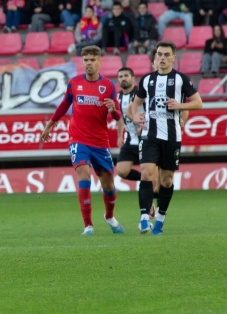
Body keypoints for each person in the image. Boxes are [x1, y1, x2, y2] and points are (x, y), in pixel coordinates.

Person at [40, 45, 124, 236]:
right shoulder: (74, 83)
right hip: (78, 138)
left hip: (100, 142)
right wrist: (50, 124)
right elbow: (64, 105)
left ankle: (109, 216)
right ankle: (88, 225)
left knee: (108, 184)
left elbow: (118, 116)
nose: (88, 63)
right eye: (85, 60)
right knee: (83, 175)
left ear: (99, 62)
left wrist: (113, 109)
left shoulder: (109, 86)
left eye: (92, 60)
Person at [127, 41, 203, 234]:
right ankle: (144, 217)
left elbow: (198, 103)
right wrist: (136, 118)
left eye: (166, 54)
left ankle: (160, 218)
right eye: (159, 54)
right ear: (155, 58)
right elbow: (134, 105)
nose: (162, 58)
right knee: (146, 173)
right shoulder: (146, 80)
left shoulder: (181, 80)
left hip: (172, 136)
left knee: (166, 181)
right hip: (149, 134)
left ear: (173, 58)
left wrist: (180, 106)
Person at [115, 67, 142, 184]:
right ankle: (147, 180)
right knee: (122, 171)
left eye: (126, 76)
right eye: (120, 77)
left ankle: (154, 187)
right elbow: (119, 118)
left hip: (145, 139)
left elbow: (151, 112)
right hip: (130, 140)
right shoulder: (117, 97)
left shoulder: (141, 94)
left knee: (151, 170)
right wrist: (120, 135)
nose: (123, 79)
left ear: (133, 78)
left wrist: (143, 126)